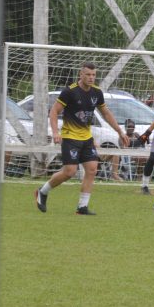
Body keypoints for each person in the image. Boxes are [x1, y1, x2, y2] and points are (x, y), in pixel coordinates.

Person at [34, 63, 128, 215]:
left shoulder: (97, 92)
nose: (91, 77)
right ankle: (42, 191)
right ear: (81, 75)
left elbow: (106, 113)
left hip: (86, 138)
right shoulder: (70, 91)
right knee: (69, 172)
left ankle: (82, 207)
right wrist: (56, 132)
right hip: (70, 137)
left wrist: (120, 132)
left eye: (93, 75)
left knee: (92, 169)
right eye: (88, 74)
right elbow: (54, 111)